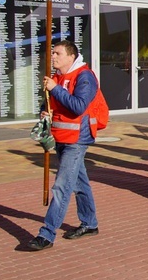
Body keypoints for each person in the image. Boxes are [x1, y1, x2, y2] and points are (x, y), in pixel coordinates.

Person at [27, 40, 102, 251]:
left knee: (62, 186)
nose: (53, 57)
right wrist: (44, 111)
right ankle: (89, 223)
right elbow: (50, 102)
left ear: (71, 56)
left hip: (77, 138)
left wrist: (55, 88)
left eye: (57, 53)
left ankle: (47, 234)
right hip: (61, 136)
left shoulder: (84, 76)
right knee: (79, 182)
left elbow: (78, 106)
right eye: (52, 53)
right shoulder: (57, 77)